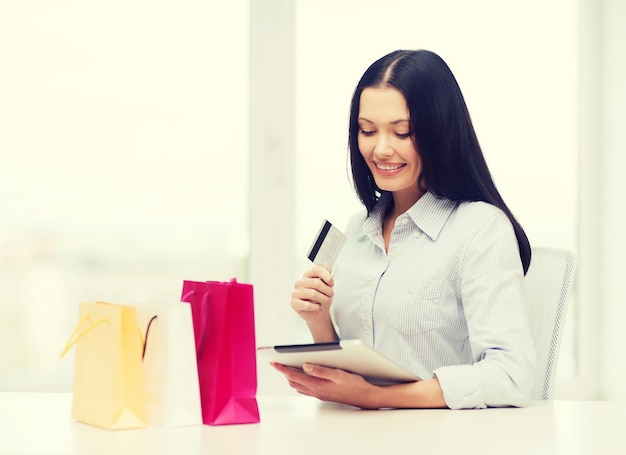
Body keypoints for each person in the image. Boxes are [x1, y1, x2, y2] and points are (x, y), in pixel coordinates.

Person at [271, 49, 536, 410]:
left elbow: (511, 376)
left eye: (403, 132)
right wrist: (318, 320)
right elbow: (356, 365)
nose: (381, 149)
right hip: (355, 436)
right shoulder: (358, 229)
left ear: (439, 133)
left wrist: (374, 397)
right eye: (367, 130)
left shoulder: (481, 229)